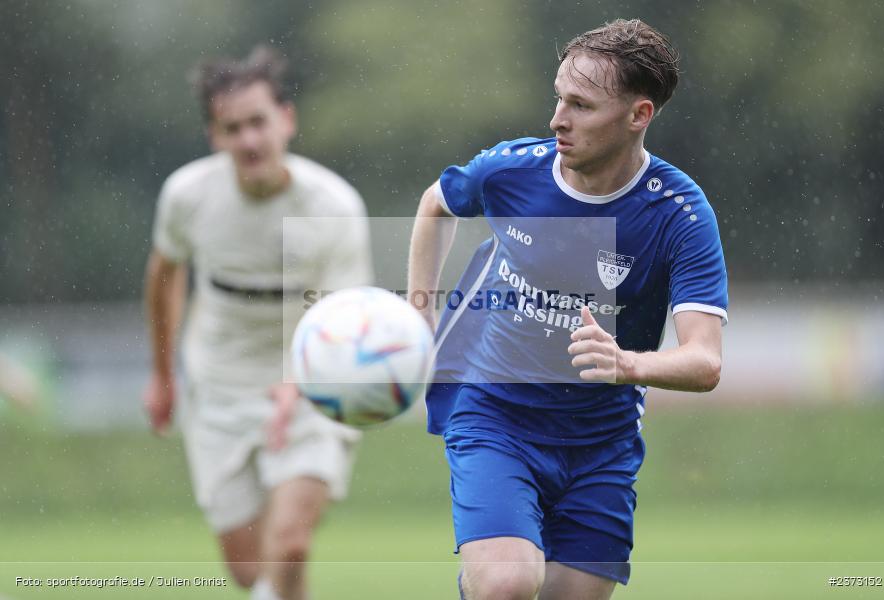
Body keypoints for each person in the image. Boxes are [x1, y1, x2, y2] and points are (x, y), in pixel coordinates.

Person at [408, 19, 727, 600]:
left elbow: (705, 361)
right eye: (558, 98)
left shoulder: (679, 213)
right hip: (495, 416)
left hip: (601, 444)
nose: (557, 119)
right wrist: (418, 313)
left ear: (638, 115)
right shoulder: (511, 171)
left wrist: (627, 364)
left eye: (581, 105)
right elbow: (435, 205)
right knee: (506, 583)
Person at [143, 46, 372, 600]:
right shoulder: (187, 195)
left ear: (286, 120)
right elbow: (164, 275)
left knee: (289, 545)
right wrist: (163, 376)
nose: (248, 140)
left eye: (258, 123)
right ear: (214, 136)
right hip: (219, 388)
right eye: (232, 128)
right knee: (252, 572)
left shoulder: (334, 205)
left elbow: (344, 318)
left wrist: (299, 384)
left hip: (311, 386)